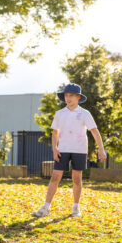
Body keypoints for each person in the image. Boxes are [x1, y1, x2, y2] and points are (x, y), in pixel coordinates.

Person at [32, 83, 107, 218]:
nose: (68, 98)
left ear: (78, 97)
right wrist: (54, 149)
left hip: (79, 150)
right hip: (63, 149)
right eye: (66, 95)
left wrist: (101, 149)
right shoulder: (60, 114)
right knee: (55, 177)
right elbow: (55, 133)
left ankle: (75, 208)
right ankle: (46, 207)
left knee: (76, 179)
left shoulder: (85, 113)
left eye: (71, 95)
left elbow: (94, 132)